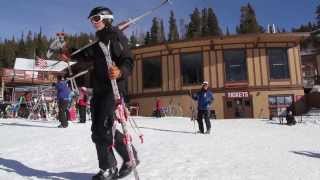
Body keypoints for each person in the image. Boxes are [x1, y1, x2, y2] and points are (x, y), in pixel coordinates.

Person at [62, 6, 138, 180]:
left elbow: (128, 60)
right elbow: (86, 54)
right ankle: (124, 158)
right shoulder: (98, 42)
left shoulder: (115, 36)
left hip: (114, 89)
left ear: (106, 18)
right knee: (99, 129)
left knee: (103, 127)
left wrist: (120, 71)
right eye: (91, 20)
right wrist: (70, 54)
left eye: (95, 18)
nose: (93, 22)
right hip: (99, 89)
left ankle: (111, 167)